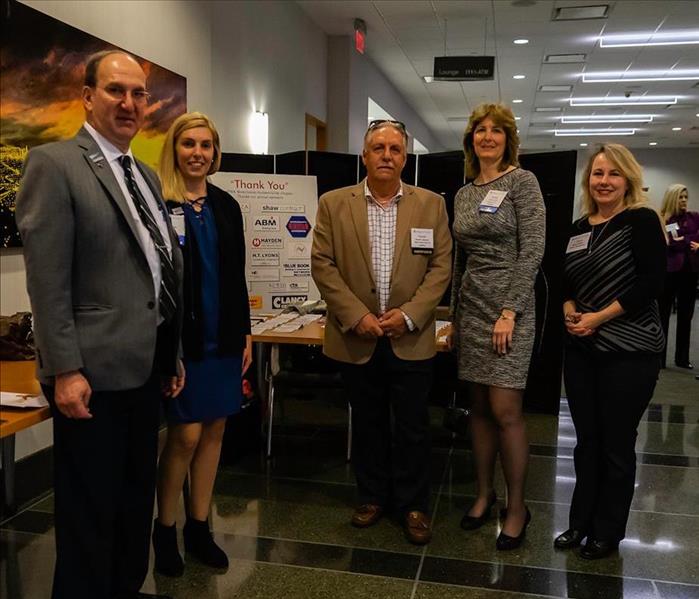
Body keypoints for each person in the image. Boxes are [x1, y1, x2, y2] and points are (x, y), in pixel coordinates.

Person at [15, 50, 184, 599]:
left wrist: (171, 351)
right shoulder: (55, 164)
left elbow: (155, 270)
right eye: (116, 91)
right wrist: (64, 368)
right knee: (90, 517)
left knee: (134, 505)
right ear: (88, 97)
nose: (130, 103)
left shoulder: (147, 176)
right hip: (90, 375)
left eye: (138, 93)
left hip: (145, 367)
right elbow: (47, 280)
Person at [311, 119, 452, 545]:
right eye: (378, 148)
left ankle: (413, 505)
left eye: (394, 149)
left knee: (412, 426)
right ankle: (371, 496)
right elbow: (323, 264)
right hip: (359, 337)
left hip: (411, 337)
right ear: (364, 155)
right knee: (368, 424)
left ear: (405, 157)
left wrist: (409, 315)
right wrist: (357, 316)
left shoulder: (431, 205)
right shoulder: (334, 204)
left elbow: (441, 267)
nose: (386, 155)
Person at [152, 112, 252, 576]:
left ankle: (199, 527)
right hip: (182, 340)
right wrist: (164, 348)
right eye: (189, 143)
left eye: (206, 145)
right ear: (175, 149)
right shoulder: (158, 204)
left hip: (225, 336)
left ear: (215, 152)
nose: (198, 153)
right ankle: (165, 529)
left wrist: (245, 331)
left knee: (214, 431)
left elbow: (236, 275)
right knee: (185, 435)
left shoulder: (227, 206)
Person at [556, 144, 665, 560]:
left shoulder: (640, 221)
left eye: (613, 174)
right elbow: (565, 282)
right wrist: (570, 310)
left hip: (631, 349)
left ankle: (607, 532)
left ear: (628, 180)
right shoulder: (578, 226)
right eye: (598, 174)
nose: (604, 182)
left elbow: (652, 283)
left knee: (616, 444)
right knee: (587, 442)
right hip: (582, 347)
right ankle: (579, 522)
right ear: (588, 181)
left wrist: (598, 317)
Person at [448, 103, 545, 551]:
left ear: (509, 139)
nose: (488, 137)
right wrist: (452, 316)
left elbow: (533, 250)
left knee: (506, 409)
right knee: (479, 408)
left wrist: (509, 310)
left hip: (511, 306)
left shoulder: (522, 182)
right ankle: (483, 495)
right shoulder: (464, 193)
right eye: (480, 130)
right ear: (471, 140)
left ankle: (517, 507)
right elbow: (458, 261)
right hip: (471, 305)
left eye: (497, 131)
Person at [658, 184, 699, 369]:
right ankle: (659, 358)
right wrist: (690, 239)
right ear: (673, 198)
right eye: (680, 197)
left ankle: (682, 359)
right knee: (663, 314)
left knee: (686, 315)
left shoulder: (694, 217)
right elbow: (672, 244)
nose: (684, 200)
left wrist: (687, 238)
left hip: (690, 272)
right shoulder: (665, 219)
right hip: (669, 272)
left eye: (685, 197)